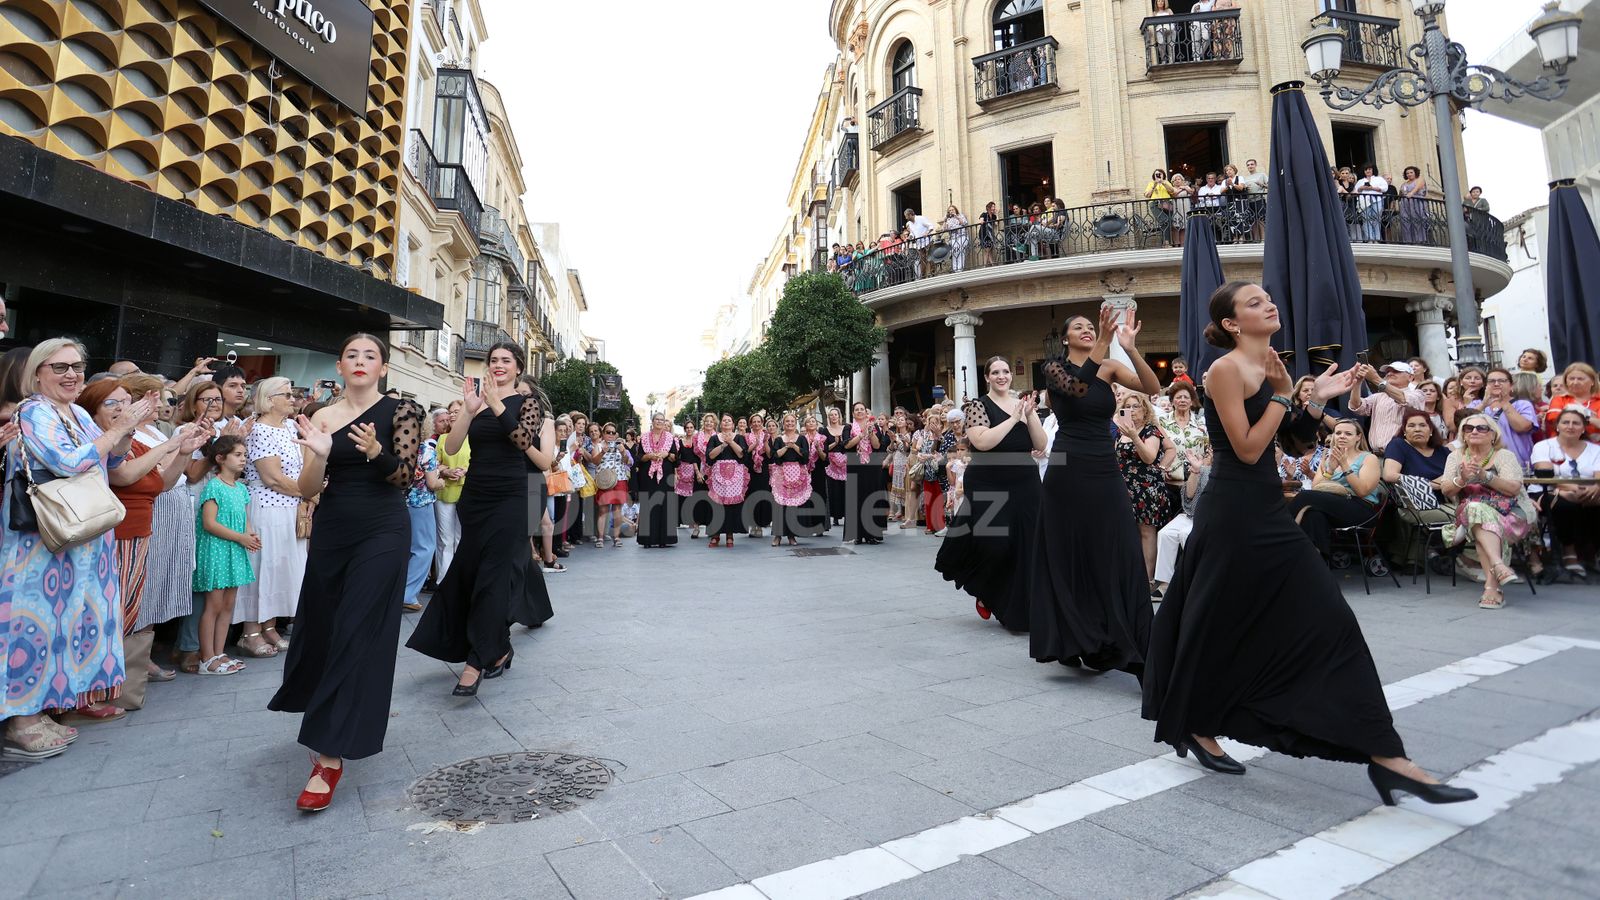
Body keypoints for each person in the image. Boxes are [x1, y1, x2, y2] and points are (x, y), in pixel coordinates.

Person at [1142, 281, 1478, 807]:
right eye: (1254, 302)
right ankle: (1195, 721)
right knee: (1217, 621)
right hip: (1233, 511)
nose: (1269, 304)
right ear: (1232, 323)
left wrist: (1314, 402)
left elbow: (1291, 440)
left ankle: (1386, 757)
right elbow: (1250, 449)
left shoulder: (1271, 362)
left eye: (1267, 297)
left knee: (1325, 620)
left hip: (1265, 510)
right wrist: (1282, 395)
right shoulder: (1224, 369)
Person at [269, 334, 424, 812]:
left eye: (370, 356)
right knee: (328, 627)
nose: (360, 362)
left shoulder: (404, 411)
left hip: (383, 528)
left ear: (383, 368)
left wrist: (377, 452)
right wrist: (318, 452)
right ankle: (331, 711)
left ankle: (328, 757)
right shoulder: (321, 417)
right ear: (339, 366)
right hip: (333, 528)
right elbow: (307, 488)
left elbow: (406, 475)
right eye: (352, 355)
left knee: (358, 627)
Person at [2, 341, 154, 758]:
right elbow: (70, 462)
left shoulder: (79, 412)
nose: (72, 374)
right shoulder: (32, 411)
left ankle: (42, 709)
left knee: (58, 626)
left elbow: (108, 462)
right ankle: (21, 720)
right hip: (40, 543)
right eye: (61, 367)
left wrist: (124, 430)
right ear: (37, 374)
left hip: (78, 540)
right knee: (31, 625)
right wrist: (117, 431)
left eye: (78, 366)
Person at [408, 342, 553, 696]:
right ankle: (500, 647)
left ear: (518, 367)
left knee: (494, 576)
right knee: (473, 575)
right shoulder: (476, 404)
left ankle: (476, 659)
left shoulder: (527, 404)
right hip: (475, 498)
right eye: (493, 360)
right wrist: (470, 411)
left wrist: (497, 405)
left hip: (513, 498)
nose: (498, 365)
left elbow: (523, 442)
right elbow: (453, 446)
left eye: (506, 360)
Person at [1027, 305, 1162, 673]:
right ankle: (1074, 635)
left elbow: (1154, 388)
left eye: (1093, 326)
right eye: (1081, 327)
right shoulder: (1054, 370)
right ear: (1066, 337)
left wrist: (1130, 348)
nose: (1088, 329)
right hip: (1067, 469)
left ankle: (1127, 639)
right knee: (1071, 552)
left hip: (1104, 467)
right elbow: (1078, 389)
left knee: (1119, 545)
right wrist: (1104, 338)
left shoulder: (1111, 368)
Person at [88, 378, 205, 708]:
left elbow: (162, 484)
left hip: (140, 533)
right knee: (112, 616)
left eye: (127, 401)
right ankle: (95, 693)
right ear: (93, 409)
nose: (124, 409)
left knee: (128, 614)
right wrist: (169, 446)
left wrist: (182, 451)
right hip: (115, 535)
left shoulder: (135, 440)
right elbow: (123, 476)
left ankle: (116, 689)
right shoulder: (104, 440)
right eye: (113, 403)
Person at [936, 357, 1045, 628]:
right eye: (995, 372)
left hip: (1025, 481)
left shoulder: (1022, 404)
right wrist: (1014, 418)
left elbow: (1041, 444)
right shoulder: (977, 405)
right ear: (987, 377)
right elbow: (983, 442)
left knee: (1027, 545)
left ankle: (1022, 609)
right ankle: (986, 590)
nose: (1001, 376)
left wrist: (1029, 415)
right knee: (996, 545)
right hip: (988, 482)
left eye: (1006, 371)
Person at [127, 375, 208, 684]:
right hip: (154, 511)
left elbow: (174, 469)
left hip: (173, 509)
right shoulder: (133, 433)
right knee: (145, 582)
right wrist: (180, 446)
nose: (162, 404)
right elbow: (158, 472)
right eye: (155, 397)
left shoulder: (154, 430)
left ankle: (144, 650)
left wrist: (187, 445)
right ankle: (138, 658)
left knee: (159, 579)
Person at [236, 377, 309, 651]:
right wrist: (306, 491)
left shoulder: (291, 426)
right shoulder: (260, 430)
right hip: (268, 506)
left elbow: (302, 466)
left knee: (282, 567)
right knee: (263, 566)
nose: (293, 399)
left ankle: (270, 627)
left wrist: (307, 494)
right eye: (287, 394)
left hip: (290, 506)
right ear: (269, 399)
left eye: (294, 394)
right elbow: (272, 478)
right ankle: (250, 631)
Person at [1440, 413, 1537, 610]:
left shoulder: (1504, 456)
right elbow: (1447, 490)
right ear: (1463, 435)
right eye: (1469, 428)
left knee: (1479, 520)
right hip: (1472, 513)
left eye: (1481, 428)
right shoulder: (1455, 456)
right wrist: (1463, 479)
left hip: (1512, 514)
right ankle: (1498, 569)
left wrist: (1485, 476)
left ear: (1493, 435)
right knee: (1477, 511)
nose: (1474, 431)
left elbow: (1513, 489)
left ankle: (1492, 584)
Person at [194, 435, 259, 676]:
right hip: (217, 550)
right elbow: (209, 523)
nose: (244, 459)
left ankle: (219, 654)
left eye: (244, 455)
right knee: (214, 605)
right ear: (220, 458)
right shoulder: (214, 486)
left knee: (228, 605)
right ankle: (206, 658)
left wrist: (249, 535)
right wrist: (240, 537)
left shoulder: (241, 488)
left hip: (234, 550)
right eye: (238, 455)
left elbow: (245, 519)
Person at [1285, 419, 1383, 560]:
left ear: (1358, 437)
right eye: (1338, 433)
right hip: (1332, 507)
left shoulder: (1369, 458)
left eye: (1348, 433)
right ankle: (1317, 563)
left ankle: (1281, 536)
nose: (1342, 436)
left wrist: (1344, 465)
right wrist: (1330, 469)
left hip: (1361, 508)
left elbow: (1363, 491)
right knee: (1313, 515)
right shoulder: (1328, 457)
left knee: (1304, 497)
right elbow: (1317, 488)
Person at [1116, 391, 1179, 580]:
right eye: (1127, 407)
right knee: (1129, 530)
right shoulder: (1122, 432)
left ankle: (1147, 578)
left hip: (1146, 488)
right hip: (1124, 487)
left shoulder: (1151, 430)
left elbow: (1149, 457)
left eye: (1136, 406)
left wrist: (1161, 466)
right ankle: (1131, 575)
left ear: (1145, 409)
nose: (1131, 410)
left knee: (1146, 531)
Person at [1380, 409, 1453, 570]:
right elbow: (1389, 475)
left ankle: (1447, 555)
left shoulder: (1443, 452)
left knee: (1467, 512)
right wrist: (1431, 484)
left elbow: (1453, 476)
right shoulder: (1398, 445)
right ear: (1404, 431)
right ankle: (1452, 557)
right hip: (1411, 503)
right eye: (1411, 426)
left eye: (1422, 425)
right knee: (1465, 515)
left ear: (1431, 430)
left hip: (1444, 500)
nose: (1417, 429)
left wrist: (1423, 483)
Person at [1531, 408, 1600, 576]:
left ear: (1583, 428)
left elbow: (1598, 477)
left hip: (1589, 491)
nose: (1570, 426)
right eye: (1565, 422)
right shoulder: (1544, 446)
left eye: (1576, 423)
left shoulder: (1595, 449)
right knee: (1565, 505)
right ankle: (1569, 553)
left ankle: (1593, 552)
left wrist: (1596, 488)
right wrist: (1572, 489)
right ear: (1557, 426)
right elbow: (1546, 475)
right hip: (1547, 490)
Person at [1348, 361, 1423, 453]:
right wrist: (1357, 382)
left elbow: (1403, 399)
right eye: (1388, 372)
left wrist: (1376, 379)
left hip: (1403, 455)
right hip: (1376, 455)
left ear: (1410, 377)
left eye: (1396, 371)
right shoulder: (1378, 396)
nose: (1390, 373)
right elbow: (1356, 407)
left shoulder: (1418, 394)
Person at [768, 412, 817, 546]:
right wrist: (786, 447)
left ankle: (791, 535)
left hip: (798, 473)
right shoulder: (778, 439)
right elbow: (774, 456)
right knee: (779, 504)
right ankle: (777, 536)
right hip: (782, 473)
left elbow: (806, 457)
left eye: (792, 421)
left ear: (795, 423)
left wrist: (794, 446)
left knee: (793, 506)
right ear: (783, 424)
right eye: (787, 421)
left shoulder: (801, 438)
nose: (789, 423)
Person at [1474, 368, 1537, 469]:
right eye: (1491, 381)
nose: (1496, 384)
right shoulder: (1476, 404)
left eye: (1502, 381)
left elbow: (1522, 427)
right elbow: (1464, 425)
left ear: (1511, 385)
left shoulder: (1522, 404)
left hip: (1517, 463)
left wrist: (1504, 402)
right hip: (1482, 464)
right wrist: (1483, 404)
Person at [844, 402, 889, 543]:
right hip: (855, 465)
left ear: (866, 412)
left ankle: (871, 534)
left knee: (872, 497)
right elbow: (846, 445)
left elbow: (877, 445)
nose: (859, 412)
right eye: (856, 410)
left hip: (871, 465)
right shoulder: (849, 427)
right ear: (853, 413)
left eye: (861, 409)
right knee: (855, 498)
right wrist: (861, 435)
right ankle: (857, 534)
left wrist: (869, 433)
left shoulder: (873, 426)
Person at [434, 401, 469, 575]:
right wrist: (446, 470)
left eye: (457, 411)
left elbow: (480, 461)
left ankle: (460, 580)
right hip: (445, 492)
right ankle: (443, 580)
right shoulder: (442, 438)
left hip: (466, 492)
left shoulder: (473, 436)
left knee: (461, 539)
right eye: (450, 412)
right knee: (445, 540)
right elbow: (435, 465)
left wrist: (466, 470)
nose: (453, 415)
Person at [636, 412, 679, 548]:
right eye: (657, 419)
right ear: (652, 421)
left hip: (666, 476)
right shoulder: (644, 438)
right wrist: (649, 456)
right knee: (648, 505)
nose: (660, 422)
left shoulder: (670, 438)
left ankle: (664, 539)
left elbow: (676, 459)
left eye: (662, 420)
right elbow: (639, 458)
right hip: (648, 476)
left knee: (666, 505)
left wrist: (667, 454)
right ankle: (647, 540)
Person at [705, 414, 748, 547]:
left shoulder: (740, 438)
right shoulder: (714, 438)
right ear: (721, 424)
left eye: (729, 420)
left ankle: (730, 535)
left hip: (735, 476)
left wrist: (731, 442)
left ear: (733, 424)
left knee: (732, 506)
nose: (726, 422)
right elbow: (710, 456)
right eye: (724, 421)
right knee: (717, 504)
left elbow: (742, 454)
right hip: (718, 475)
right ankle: (715, 535)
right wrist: (723, 445)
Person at [589, 422, 633, 547]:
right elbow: (595, 462)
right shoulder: (598, 445)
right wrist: (603, 452)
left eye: (613, 433)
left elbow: (627, 462)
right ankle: (600, 538)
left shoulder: (621, 445)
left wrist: (624, 452)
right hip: (605, 481)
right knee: (603, 510)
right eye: (608, 432)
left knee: (617, 510)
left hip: (619, 479)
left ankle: (617, 537)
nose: (611, 435)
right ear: (603, 433)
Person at [914, 410, 951, 537]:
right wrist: (920, 456)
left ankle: (940, 525)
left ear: (940, 424)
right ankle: (930, 525)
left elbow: (938, 451)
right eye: (930, 422)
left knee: (939, 500)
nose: (933, 425)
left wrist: (928, 455)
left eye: (935, 422)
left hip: (938, 472)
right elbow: (919, 450)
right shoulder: (924, 436)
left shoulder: (942, 436)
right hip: (926, 471)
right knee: (928, 499)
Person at [1543, 362, 1600, 440]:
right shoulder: (1559, 399)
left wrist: (1573, 410)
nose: (1575, 382)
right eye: (1571, 379)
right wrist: (1589, 417)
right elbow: (1558, 422)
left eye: (1580, 379)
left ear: (1593, 381)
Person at [744, 413, 772, 539]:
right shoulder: (746, 436)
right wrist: (754, 445)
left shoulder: (767, 436)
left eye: (758, 421)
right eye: (753, 422)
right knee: (750, 496)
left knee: (763, 495)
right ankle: (752, 524)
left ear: (762, 423)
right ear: (750, 424)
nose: (756, 424)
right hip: (750, 469)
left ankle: (760, 525)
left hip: (764, 469)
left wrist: (765, 442)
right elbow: (744, 453)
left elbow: (771, 455)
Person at [822, 406, 849, 526]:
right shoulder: (824, 430)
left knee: (845, 489)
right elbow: (824, 449)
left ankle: (847, 513)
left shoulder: (846, 428)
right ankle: (835, 516)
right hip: (831, 462)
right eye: (831, 415)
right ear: (829, 417)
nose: (833, 417)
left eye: (835, 414)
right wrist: (835, 443)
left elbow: (848, 444)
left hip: (845, 460)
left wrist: (842, 442)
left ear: (839, 416)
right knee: (834, 489)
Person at [1353, 164, 1388, 242]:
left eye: (1369, 169)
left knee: (1377, 219)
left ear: (1373, 170)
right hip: (1364, 201)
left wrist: (1373, 188)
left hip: (1377, 200)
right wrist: (1361, 188)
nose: (1368, 171)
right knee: (1366, 219)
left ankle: (1377, 239)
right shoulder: (1360, 181)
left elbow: (1385, 188)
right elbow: (1355, 192)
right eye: (1366, 169)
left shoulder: (1379, 179)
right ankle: (1369, 239)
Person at [1398, 166, 1428, 244]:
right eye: (1407, 173)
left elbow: (1418, 187)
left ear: (1415, 173)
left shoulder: (1420, 179)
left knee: (1417, 220)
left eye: (1411, 172)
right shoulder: (1404, 184)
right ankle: (1408, 241)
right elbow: (1400, 193)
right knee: (1405, 221)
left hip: (1416, 202)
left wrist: (1411, 193)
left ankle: (1419, 240)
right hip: (1405, 204)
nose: (1409, 174)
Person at [944, 205, 970, 272]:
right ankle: (955, 270)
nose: (951, 211)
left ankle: (960, 269)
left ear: (955, 210)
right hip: (953, 238)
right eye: (949, 210)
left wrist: (956, 217)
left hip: (962, 236)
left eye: (952, 210)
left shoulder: (960, 215)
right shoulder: (949, 219)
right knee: (954, 253)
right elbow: (945, 229)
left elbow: (964, 223)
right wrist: (945, 221)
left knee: (961, 252)